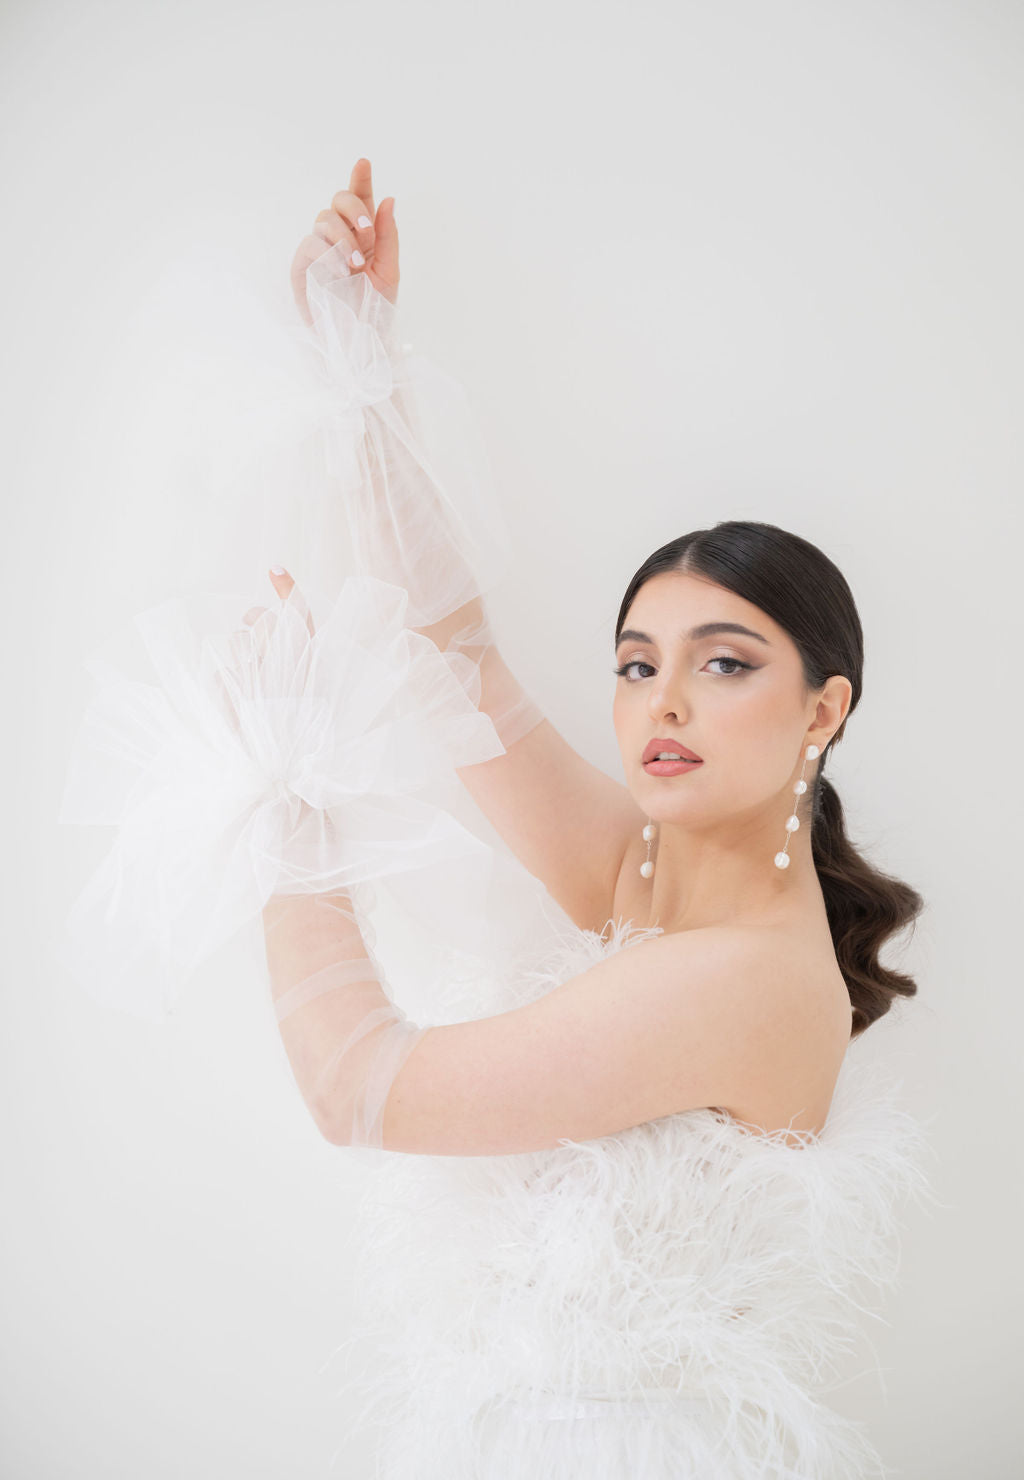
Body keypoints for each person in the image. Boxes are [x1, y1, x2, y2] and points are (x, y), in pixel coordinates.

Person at [59, 157, 936, 1478]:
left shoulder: (738, 975)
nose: (664, 701)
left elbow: (360, 1087)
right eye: (638, 662)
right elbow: (458, 650)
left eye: (727, 660)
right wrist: (359, 361)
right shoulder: (654, 879)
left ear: (825, 709)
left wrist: (285, 785)